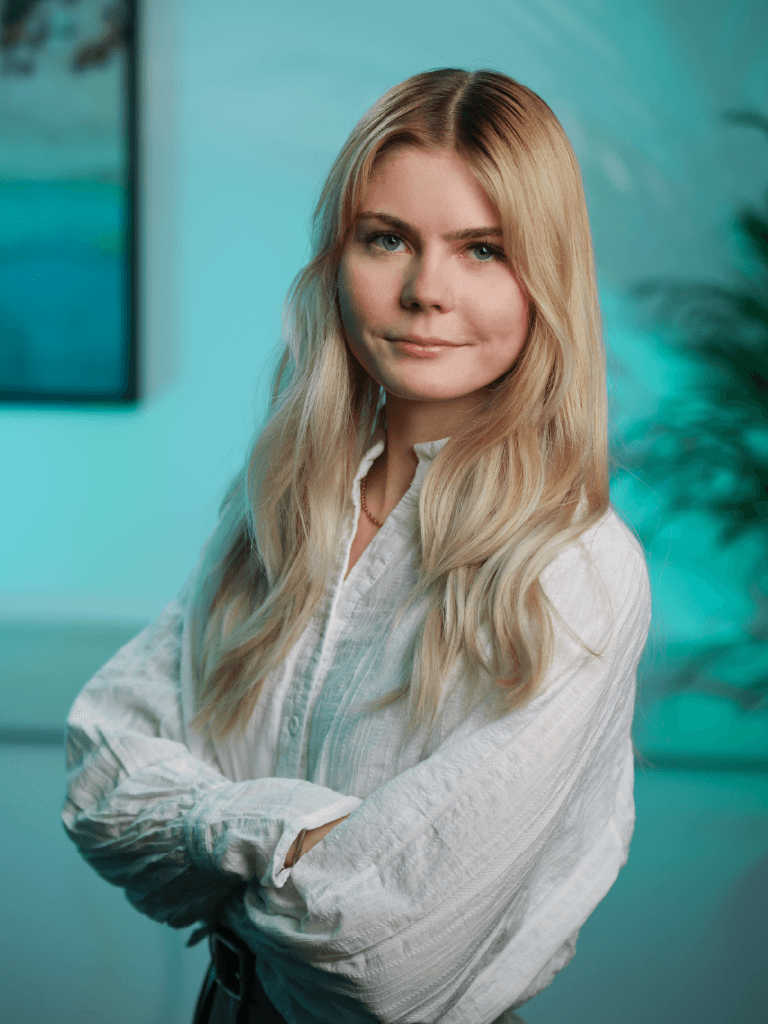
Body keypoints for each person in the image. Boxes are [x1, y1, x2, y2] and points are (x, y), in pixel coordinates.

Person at [61, 67, 652, 1024]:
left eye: (483, 250)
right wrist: (288, 836)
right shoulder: (281, 508)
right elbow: (100, 774)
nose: (426, 291)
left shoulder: (572, 567)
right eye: (388, 239)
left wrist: (209, 837)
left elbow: (380, 965)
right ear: (337, 258)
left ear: (545, 277)